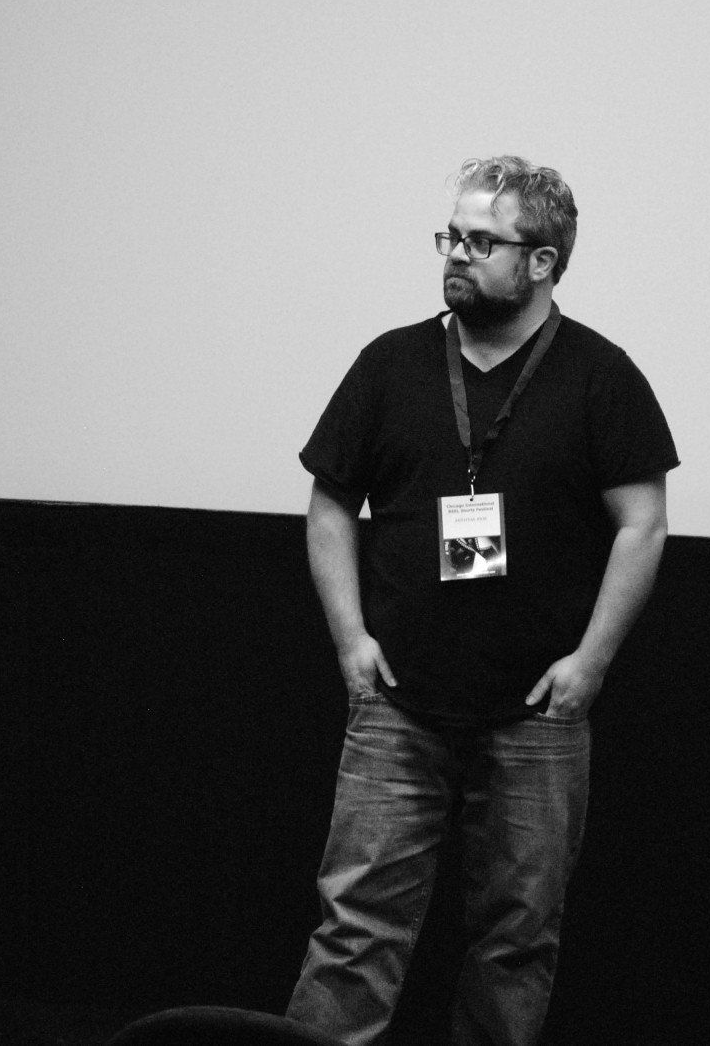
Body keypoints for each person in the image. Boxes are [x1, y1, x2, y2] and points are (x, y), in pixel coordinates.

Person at [286, 157, 676, 1045]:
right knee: (355, 930)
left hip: (536, 712)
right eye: (449, 237)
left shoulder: (599, 376)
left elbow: (642, 524)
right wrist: (350, 639)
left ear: (542, 262)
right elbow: (330, 503)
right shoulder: (390, 363)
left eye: (480, 241)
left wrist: (590, 666)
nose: (455, 256)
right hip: (397, 702)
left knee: (516, 940)